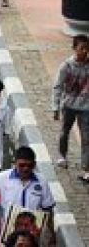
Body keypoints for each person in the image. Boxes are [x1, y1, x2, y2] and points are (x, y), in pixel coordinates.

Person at [52, 34, 89, 180]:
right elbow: (57, 86)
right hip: (68, 106)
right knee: (64, 131)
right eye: (82, 48)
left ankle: (86, 166)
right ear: (74, 49)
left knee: (86, 136)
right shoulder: (66, 67)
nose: (85, 51)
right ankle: (62, 155)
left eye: (87, 48)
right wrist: (55, 106)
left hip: (86, 107)